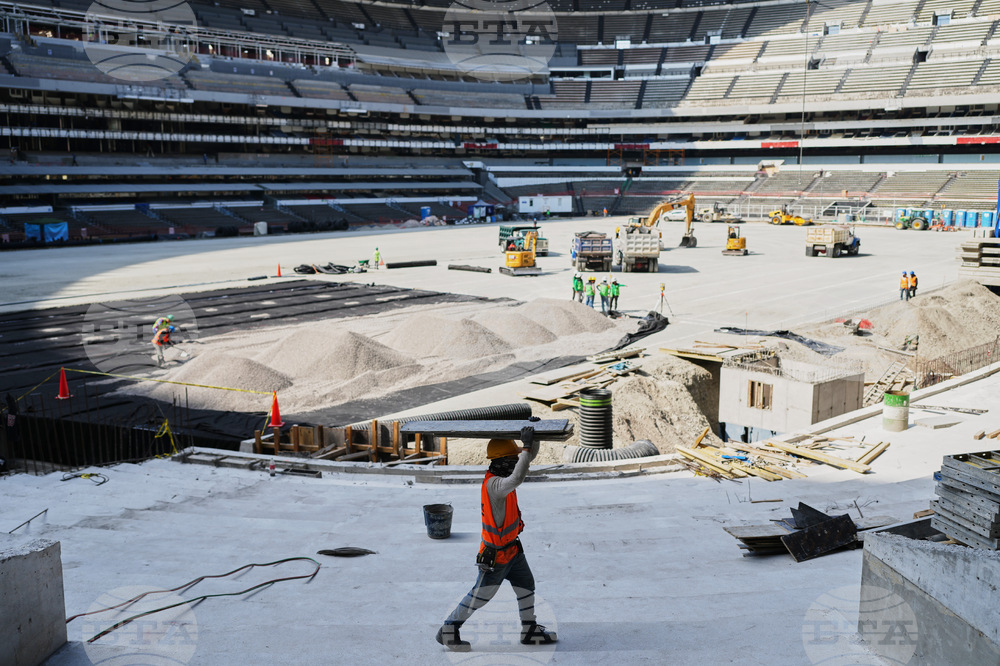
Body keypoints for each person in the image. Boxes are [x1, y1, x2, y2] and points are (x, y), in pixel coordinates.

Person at [437, 426, 556, 652]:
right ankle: (448, 629)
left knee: (526, 585)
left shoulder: (503, 475)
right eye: (512, 458)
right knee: (481, 595)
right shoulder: (495, 485)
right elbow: (519, 475)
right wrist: (527, 445)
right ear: (502, 461)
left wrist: (535, 437)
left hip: (513, 550)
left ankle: (529, 630)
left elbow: (525, 461)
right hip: (496, 556)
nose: (517, 461)